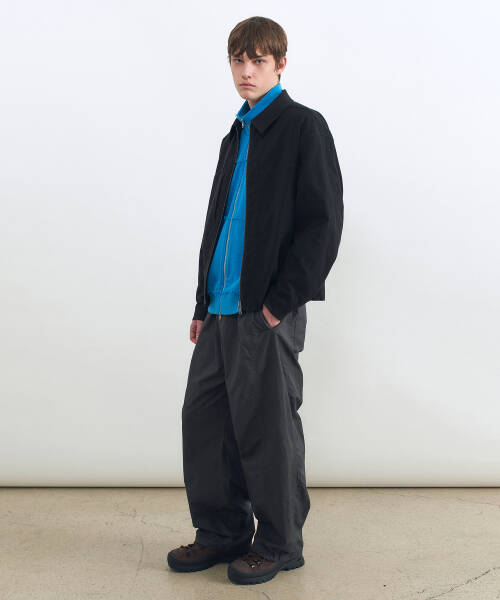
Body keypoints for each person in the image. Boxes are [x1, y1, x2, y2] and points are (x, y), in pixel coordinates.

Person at [167, 15, 343, 585]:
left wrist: (278, 304)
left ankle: (279, 543)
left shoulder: (303, 127)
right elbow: (218, 226)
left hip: (264, 312)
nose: (246, 70)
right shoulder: (235, 135)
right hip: (220, 310)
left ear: (280, 65)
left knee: (268, 429)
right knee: (206, 423)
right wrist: (202, 303)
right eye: (238, 60)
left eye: (258, 61)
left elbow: (322, 226)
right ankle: (221, 532)